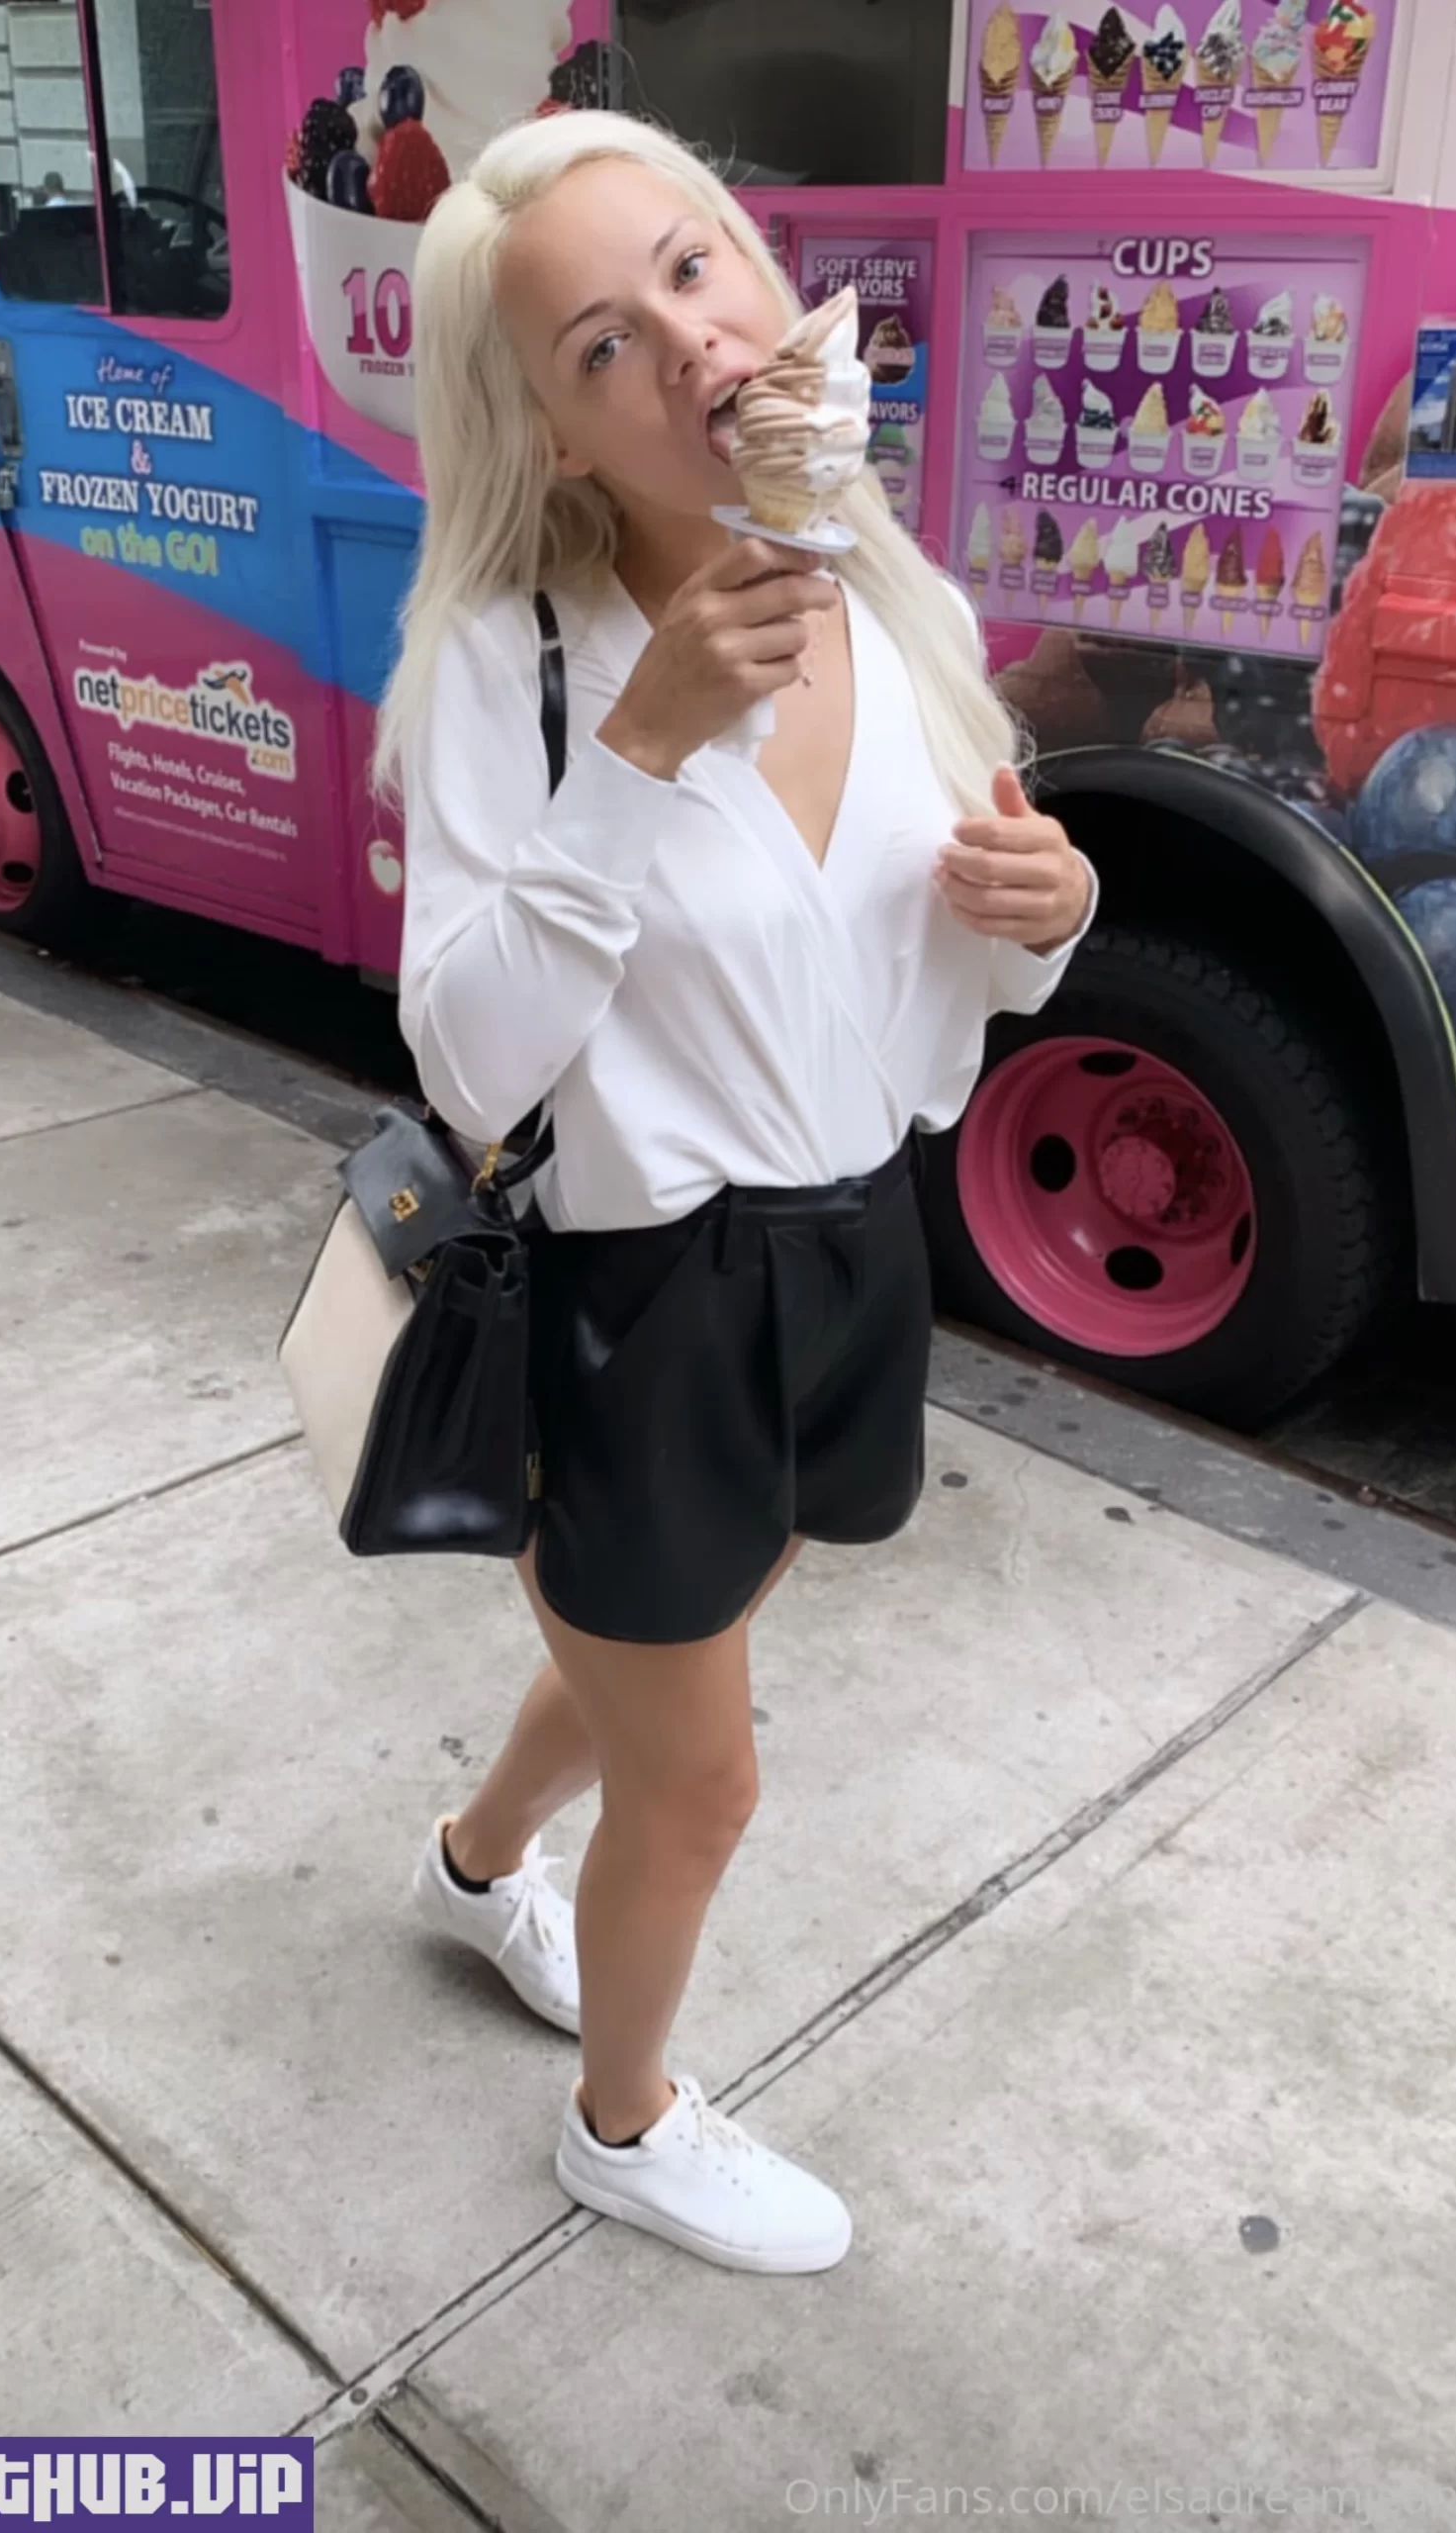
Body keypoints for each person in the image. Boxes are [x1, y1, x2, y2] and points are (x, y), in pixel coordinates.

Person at [381, 110, 1096, 2276]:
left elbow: (942, 965)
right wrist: (642, 752)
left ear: (772, 287)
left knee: (696, 1620)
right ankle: (622, 2121)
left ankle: (473, 1861)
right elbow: (468, 1057)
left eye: (697, 269)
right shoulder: (513, 660)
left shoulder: (899, 600)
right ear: (551, 428)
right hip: (638, 1292)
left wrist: (1052, 913)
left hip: (856, 1236)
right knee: (699, 1777)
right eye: (603, 341)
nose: (687, 341)